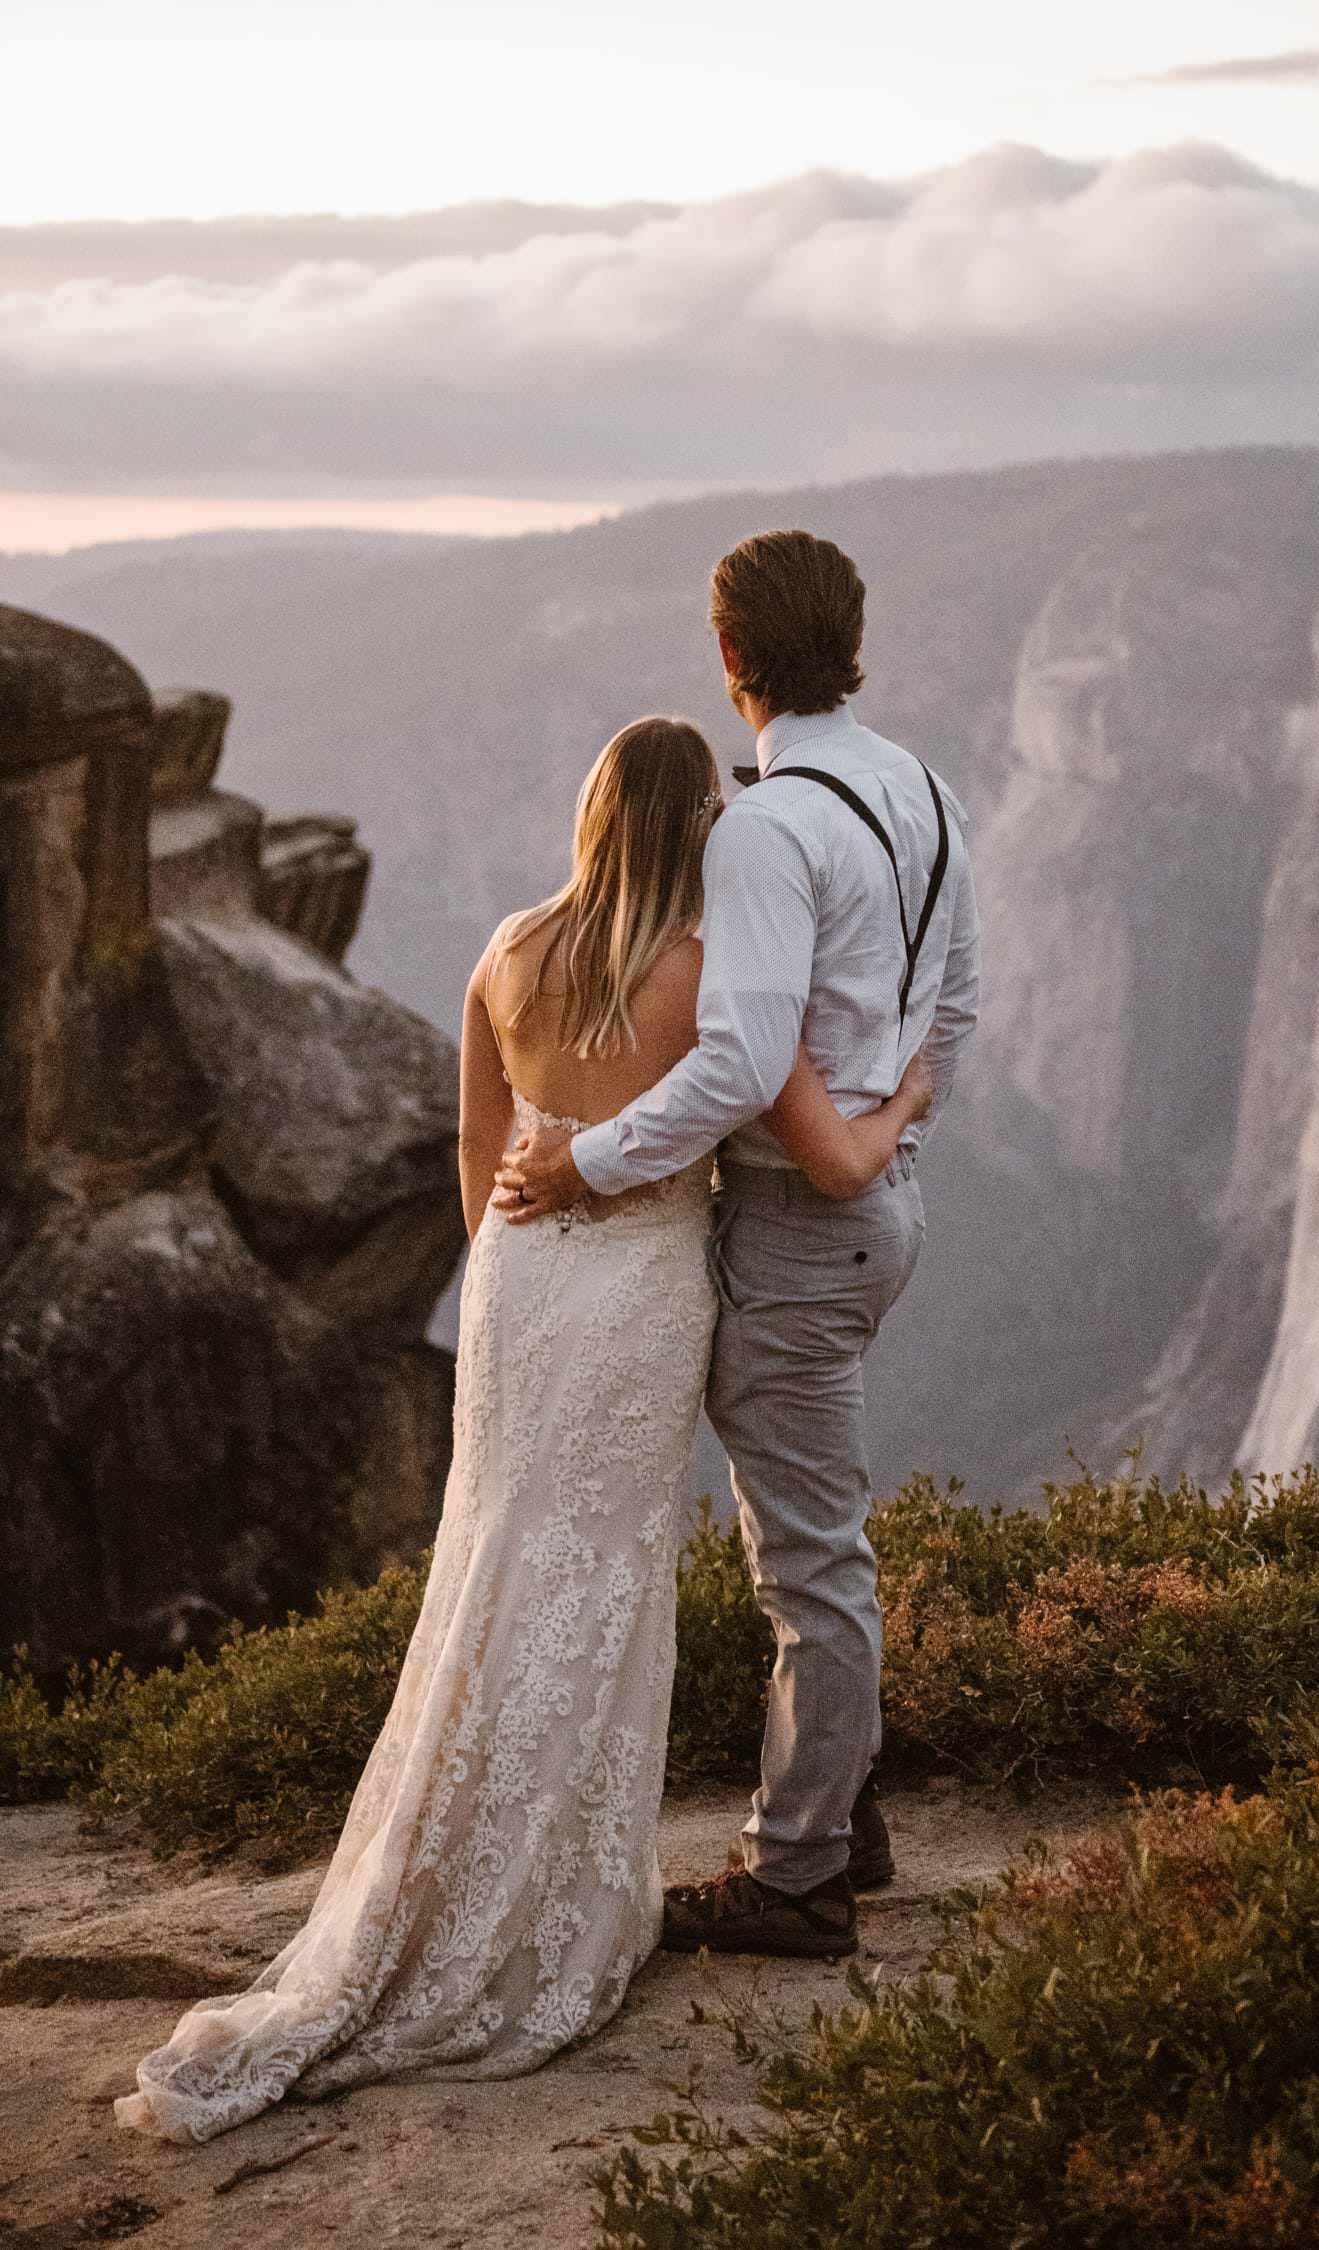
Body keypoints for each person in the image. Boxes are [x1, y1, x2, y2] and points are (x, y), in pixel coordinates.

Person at [115, 714, 930, 2144]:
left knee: (491, 1562)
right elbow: (771, 1141)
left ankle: (435, 1875)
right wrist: (909, 1087)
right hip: (637, 1292)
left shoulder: (504, 949)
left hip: (517, 1285)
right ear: (698, 835)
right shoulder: (705, 976)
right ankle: (551, 1909)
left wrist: (526, 1236)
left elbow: (469, 1152)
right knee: (600, 1575)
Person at [500, 531, 981, 1960]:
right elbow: (954, 1011)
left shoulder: (766, 827)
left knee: (808, 1560)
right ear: (853, 639)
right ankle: (844, 1807)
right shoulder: (924, 789)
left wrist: (581, 1161)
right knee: (815, 1530)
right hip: (876, 1213)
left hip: (795, 1225)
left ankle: (801, 1873)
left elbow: (737, 1061)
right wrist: (889, 1126)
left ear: (729, 660)